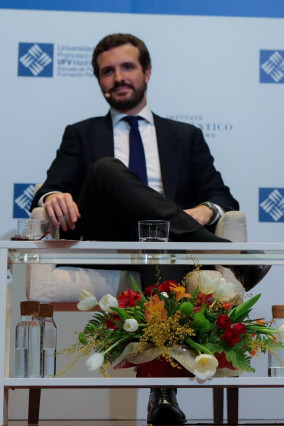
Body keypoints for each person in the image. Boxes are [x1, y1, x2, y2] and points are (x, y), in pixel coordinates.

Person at [31, 33, 269, 425]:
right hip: (104, 233)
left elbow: (222, 197)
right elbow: (51, 185)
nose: (118, 77)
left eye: (127, 67)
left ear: (147, 72)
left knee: (158, 242)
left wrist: (203, 211)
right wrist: (52, 196)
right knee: (107, 168)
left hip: (164, 241)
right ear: (99, 81)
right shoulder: (81, 133)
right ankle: (227, 253)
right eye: (107, 72)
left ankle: (163, 396)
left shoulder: (185, 136)